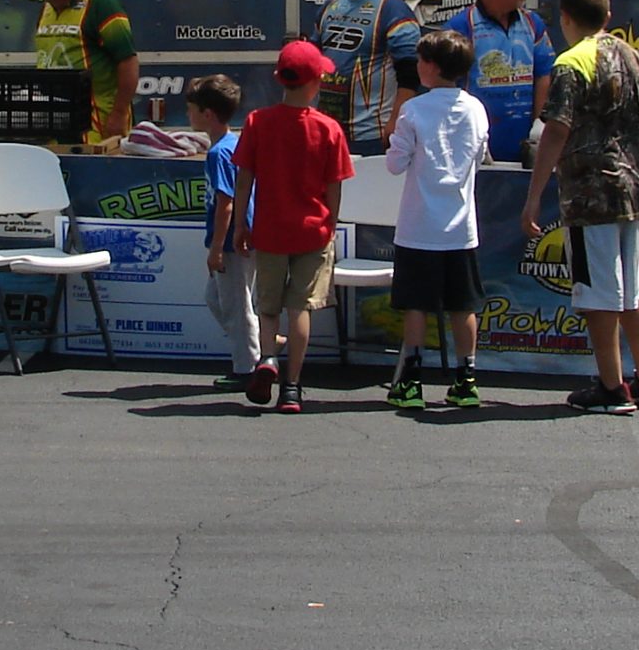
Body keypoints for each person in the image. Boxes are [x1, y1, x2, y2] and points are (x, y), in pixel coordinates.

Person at [522, 0, 639, 415]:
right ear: (608, 16)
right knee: (632, 285)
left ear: (565, 18)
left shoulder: (570, 62)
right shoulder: (631, 55)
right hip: (633, 188)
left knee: (597, 291)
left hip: (590, 194)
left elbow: (556, 128)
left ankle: (611, 386)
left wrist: (534, 196)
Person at [232, 38, 354, 415]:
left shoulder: (257, 122)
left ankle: (268, 356)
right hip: (313, 231)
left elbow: (244, 180)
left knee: (268, 306)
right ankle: (292, 387)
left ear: (279, 79)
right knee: (300, 308)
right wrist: (331, 223)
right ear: (316, 82)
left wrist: (240, 225)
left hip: (269, 229)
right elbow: (334, 186)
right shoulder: (328, 129)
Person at [384, 28, 490, 412]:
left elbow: (395, 164)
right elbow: (480, 155)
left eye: (420, 60)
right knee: (463, 305)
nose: (417, 66)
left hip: (418, 227)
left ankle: (410, 383)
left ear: (431, 66)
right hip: (461, 228)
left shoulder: (413, 110)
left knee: (416, 304)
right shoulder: (476, 109)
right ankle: (467, 380)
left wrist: (399, 145)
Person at [445, 0, 554, 165]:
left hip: (525, 144)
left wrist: (539, 123)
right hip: (478, 146)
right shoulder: (461, 26)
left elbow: (544, 73)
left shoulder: (533, 23)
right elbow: (445, 85)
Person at [313, 0, 420, 156]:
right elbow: (314, 56)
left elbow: (410, 75)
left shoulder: (393, 10)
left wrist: (396, 121)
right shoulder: (330, 4)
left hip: (371, 133)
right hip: (327, 127)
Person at [29, 0, 140, 144]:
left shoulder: (100, 1)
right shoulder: (47, 7)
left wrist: (119, 113)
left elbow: (128, 60)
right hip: (56, 118)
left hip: (97, 119)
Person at [188, 74, 257, 391]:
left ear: (207, 114)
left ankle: (247, 369)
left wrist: (216, 248)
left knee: (236, 306)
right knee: (216, 298)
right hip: (241, 238)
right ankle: (263, 342)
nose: (188, 115)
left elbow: (225, 204)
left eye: (192, 110)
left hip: (232, 242)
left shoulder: (220, 153)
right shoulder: (231, 145)